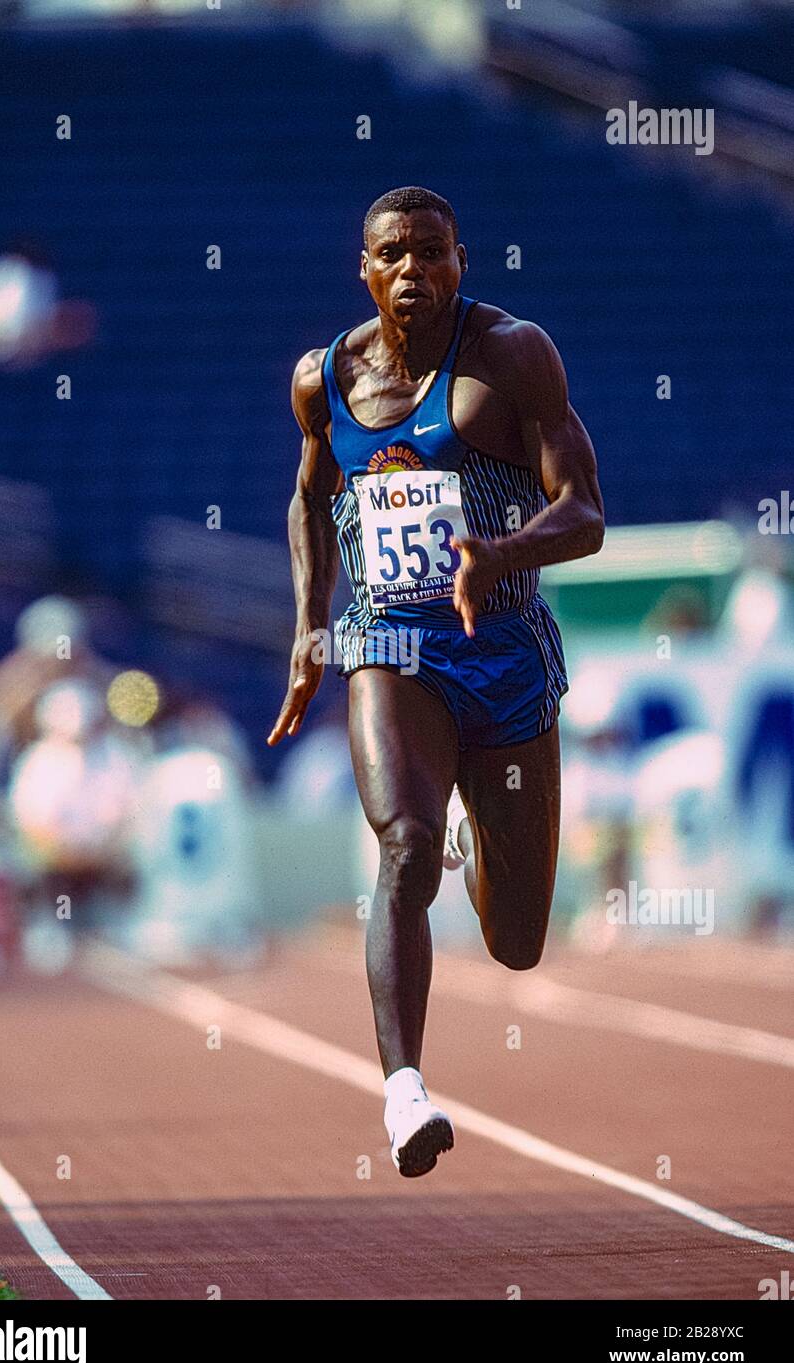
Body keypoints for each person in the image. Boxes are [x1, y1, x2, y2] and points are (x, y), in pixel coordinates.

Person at [269, 187, 604, 1177]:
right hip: (390, 646)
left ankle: (470, 814)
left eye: (431, 253)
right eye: (391, 256)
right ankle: (403, 1092)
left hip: (502, 655)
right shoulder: (321, 378)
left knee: (515, 943)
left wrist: (498, 557)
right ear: (363, 269)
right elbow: (307, 497)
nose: (412, 272)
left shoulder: (512, 355)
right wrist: (306, 628)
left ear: (463, 260)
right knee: (403, 851)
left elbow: (584, 510)